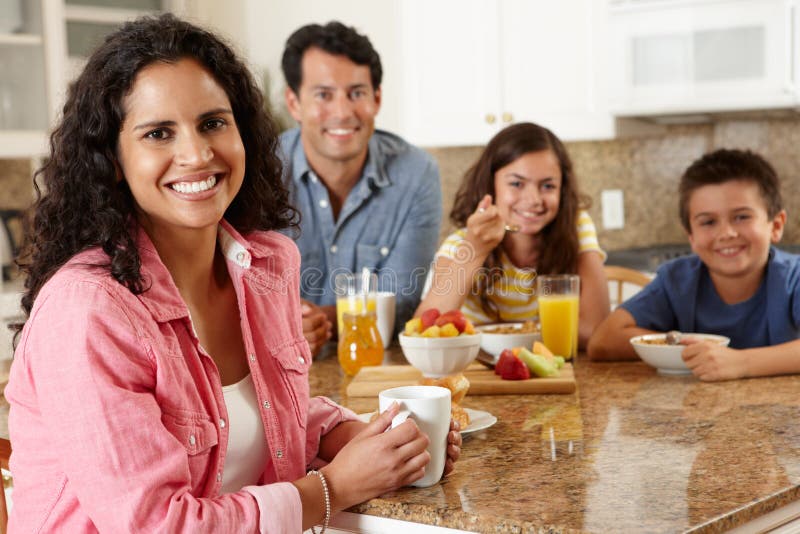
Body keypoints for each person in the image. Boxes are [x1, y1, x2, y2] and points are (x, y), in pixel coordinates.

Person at [5, 14, 460, 532]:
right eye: (158, 133)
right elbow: (156, 525)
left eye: (213, 123)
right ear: (112, 158)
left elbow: (259, 414)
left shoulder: (265, 265)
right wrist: (335, 488)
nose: (197, 155)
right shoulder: (88, 311)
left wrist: (366, 438)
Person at [278, 21, 442, 356]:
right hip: (276, 378)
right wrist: (281, 324)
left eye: (357, 93)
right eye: (323, 94)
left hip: (378, 375)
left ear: (377, 99)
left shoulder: (416, 174)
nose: (342, 112)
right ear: (294, 103)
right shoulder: (260, 172)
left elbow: (401, 302)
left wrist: (315, 322)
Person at [587, 148, 800, 381]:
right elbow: (604, 340)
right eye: (708, 222)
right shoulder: (676, 280)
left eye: (741, 217)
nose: (726, 233)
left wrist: (741, 363)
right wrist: (686, 348)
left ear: (776, 225)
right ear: (691, 237)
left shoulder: (793, 277)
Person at [416, 122, 609, 348]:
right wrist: (476, 251)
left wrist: (510, 337)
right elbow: (423, 333)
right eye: (517, 183)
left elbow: (595, 330)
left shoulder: (576, 226)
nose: (534, 199)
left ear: (563, 189)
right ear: (491, 185)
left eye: (548, 186)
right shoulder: (461, 244)